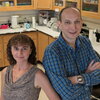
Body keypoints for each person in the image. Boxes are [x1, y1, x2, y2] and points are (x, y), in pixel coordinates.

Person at [43, 7, 100, 100]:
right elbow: (67, 93)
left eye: (77, 22)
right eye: (67, 22)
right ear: (59, 25)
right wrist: (88, 74)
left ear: (82, 23)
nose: (73, 27)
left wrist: (77, 79)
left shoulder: (85, 42)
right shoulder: (52, 52)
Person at [0, 34, 61, 100]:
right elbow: (2, 97)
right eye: (16, 48)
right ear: (11, 50)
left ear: (30, 51)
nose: (20, 53)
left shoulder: (38, 75)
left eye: (24, 48)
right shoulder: (5, 72)